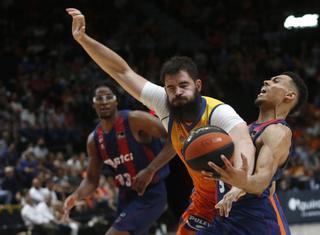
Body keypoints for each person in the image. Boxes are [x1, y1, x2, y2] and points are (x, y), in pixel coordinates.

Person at [66, 8, 255, 235]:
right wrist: (83, 40)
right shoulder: (164, 103)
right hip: (204, 200)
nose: (177, 92)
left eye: (183, 86)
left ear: (197, 86)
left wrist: (240, 183)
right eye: (171, 87)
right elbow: (122, 72)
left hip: (239, 193)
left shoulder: (218, 112)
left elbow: (244, 140)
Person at [199, 72, 308, 235]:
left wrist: (240, 185)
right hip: (227, 221)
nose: (266, 81)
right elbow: (269, 183)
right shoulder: (245, 129)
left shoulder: (277, 131)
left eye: (276, 81)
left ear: (289, 95)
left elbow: (260, 183)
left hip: (254, 225)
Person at [63, 84, 175, 235]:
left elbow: (174, 138)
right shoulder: (94, 139)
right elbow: (91, 180)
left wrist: (151, 169)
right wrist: (76, 195)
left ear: (116, 102)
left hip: (151, 193)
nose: (104, 101)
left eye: (109, 97)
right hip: (125, 197)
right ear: (93, 104)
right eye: (99, 98)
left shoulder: (135, 119)